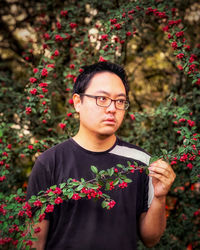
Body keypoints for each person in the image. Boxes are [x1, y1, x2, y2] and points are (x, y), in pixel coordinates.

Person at [27, 61, 176, 250]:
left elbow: (151, 238)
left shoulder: (142, 162)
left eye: (120, 101)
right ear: (78, 102)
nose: (112, 108)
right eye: (102, 98)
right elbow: (34, 242)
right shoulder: (50, 162)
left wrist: (160, 197)